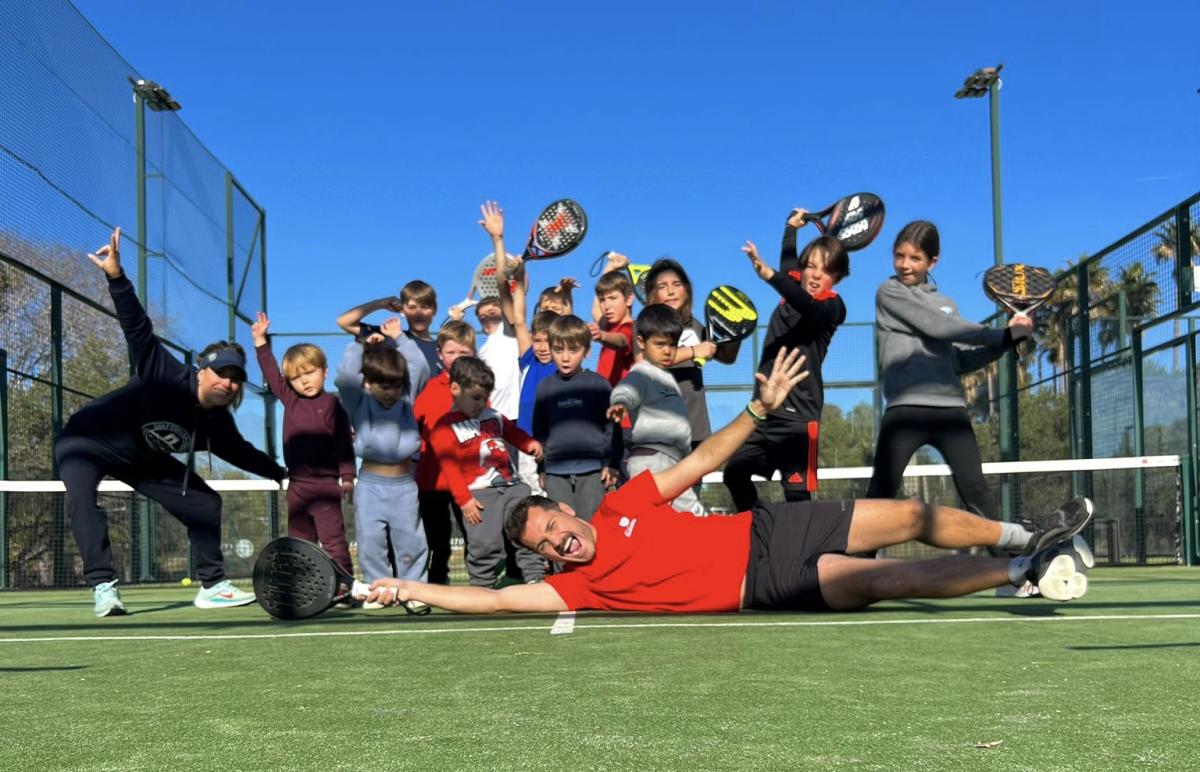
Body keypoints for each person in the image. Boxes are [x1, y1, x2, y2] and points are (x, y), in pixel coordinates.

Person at [365, 347, 1094, 614]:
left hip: (771, 528)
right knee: (881, 579)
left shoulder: (621, 503)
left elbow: (701, 462)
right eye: (547, 547)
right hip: (765, 584)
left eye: (553, 526)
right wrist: (408, 588)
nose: (560, 542)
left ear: (562, 508)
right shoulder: (579, 588)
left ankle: (1028, 534)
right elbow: (491, 600)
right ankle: (1025, 569)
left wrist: (757, 408)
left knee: (905, 514)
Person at [55, 227, 284, 617]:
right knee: (82, 500)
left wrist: (282, 474)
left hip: (140, 457)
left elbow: (243, 454)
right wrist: (116, 277)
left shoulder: (216, 424)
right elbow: (137, 327)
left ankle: (213, 587)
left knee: (204, 501)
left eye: (236, 379)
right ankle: (104, 587)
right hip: (86, 441)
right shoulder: (165, 373)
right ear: (202, 371)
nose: (228, 383)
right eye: (222, 373)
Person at [865, 221, 1031, 523]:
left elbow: (960, 361)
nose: (905, 265)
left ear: (932, 262)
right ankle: (853, 555)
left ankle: (1007, 553)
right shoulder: (888, 292)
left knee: (976, 491)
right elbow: (938, 326)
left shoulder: (947, 305)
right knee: (880, 493)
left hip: (951, 411)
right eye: (899, 256)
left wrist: (1008, 342)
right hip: (905, 410)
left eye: (915, 258)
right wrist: (1002, 334)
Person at [723, 213, 849, 511]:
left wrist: (769, 275)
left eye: (825, 270)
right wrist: (791, 228)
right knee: (734, 473)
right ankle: (761, 528)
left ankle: (802, 543)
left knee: (797, 501)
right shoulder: (792, 287)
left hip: (798, 421)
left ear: (838, 278)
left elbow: (804, 302)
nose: (815, 275)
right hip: (763, 412)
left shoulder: (832, 306)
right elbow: (789, 268)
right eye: (810, 266)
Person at [334, 307, 430, 596]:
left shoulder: (406, 400)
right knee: (371, 542)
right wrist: (360, 343)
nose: (391, 392)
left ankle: (414, 591)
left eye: (396, 385)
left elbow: (420, 366)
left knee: (411, 541)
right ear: (368, 383)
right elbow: (345, 378)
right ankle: (380, 591)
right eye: (383, 385)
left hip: (404, 486)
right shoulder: (358, 402)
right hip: (370, 486)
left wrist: (399, 337)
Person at [251, 313, 356, 576]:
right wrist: (260, 341)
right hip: (297, 487)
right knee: (300, 544)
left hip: (325, 487)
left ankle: (344, 584)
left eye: (310, 373)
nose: (305, 380)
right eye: (297, 378)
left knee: (333, 542)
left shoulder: (333, 405)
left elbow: (344, 443)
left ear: (325, 371)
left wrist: (347, 477)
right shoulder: (290, 400)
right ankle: (302, 586)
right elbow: (272, 373)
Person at [428, 356, 547, 585]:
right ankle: (482, 587)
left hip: (512, 486)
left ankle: (534, 579)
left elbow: (514, 433)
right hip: (479, 495)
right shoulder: (444, 427)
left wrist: (529, 444)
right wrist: (464, 500)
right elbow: (450, 468)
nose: (481, 403)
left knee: (526, 530)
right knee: (485, 544)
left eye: (485, 398)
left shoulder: (493, 416)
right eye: (476, 398)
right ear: (455, 389)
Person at [607, 304, 700, 515]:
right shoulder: (642, 372)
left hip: (672, 460)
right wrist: (621, 403)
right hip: (651, 460)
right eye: (659, 344)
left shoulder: (667, 378)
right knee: (681, 514)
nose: (667, 351)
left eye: (672, 345)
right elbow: (628, 389)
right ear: (641, 342)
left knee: (679, 517)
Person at [533, 315, 622, 523]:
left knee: (592, 525)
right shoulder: (545, 387)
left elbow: (612, 427)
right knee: (562, 525)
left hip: (593, 472)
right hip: (555, 473)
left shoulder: (598, 384)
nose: (565, 358)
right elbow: (540, 431)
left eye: (573, 350)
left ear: (587, 351)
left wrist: (612, 463)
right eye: (558, 350)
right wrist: (542, 469)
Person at [414, 320, 476, 584]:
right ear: (440, 354)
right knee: (436, 536)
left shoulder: (478, 389)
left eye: (464, 352)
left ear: (473, 353)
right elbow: (412, 421)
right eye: (451, 352)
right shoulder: (431, 388)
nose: (457, 357)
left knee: (474, 532)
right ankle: (437, 579)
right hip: (433, 478)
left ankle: (480, 579)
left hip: (469, 478)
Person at [588, 265, 636, 388]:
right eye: (602, 300)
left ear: (629, 299)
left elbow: (621, 340)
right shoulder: (608, 325)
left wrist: (602, 335)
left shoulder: (633, 328)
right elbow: (595, 310)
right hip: (602, 396)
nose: (606, 306)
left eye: (613, 298)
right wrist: (610, 266)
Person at [398, 279, 442, 376]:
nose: (419, 313)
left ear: (434, 310)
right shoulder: (392, 339)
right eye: (412, 307)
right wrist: (380, 304)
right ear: (402, 310)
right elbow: (359, 320)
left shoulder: (443, 350)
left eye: (425, 307)